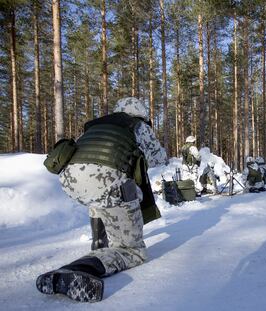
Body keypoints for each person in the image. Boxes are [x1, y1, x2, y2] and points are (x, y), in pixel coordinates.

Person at [36, 97, 167, 302]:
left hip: (71, 181)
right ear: (141, 113)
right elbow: (160, 158)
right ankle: (75, 270)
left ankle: (100, 242)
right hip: (109, 182)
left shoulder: (97, 125)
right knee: (132, 251)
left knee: (101, 192)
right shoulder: (138, 125)